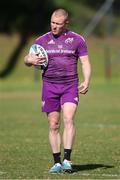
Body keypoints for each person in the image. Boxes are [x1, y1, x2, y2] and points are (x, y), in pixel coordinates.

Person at [24, 8, 91, 173]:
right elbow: (27, 59)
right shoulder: (42, 40)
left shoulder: (77, 40)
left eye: (58, 24)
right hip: (49, 86)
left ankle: (67, 160)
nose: (54, 26)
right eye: (52, 22)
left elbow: (85, 62)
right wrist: (30, 60)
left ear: (66, 23)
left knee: (68, 119)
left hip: (70, 85)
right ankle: (56, 162)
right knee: (54, 124)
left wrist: (87, 80)